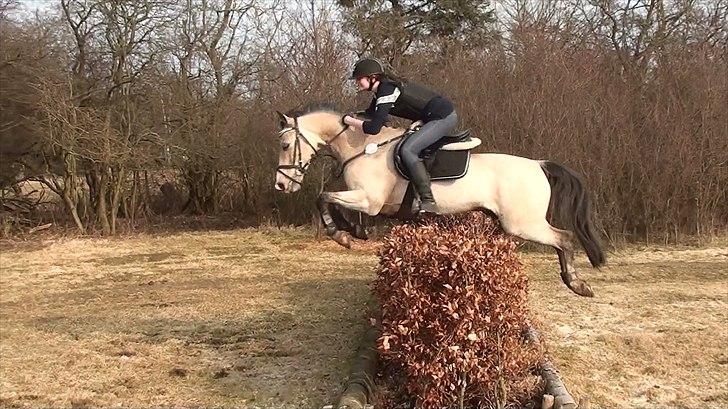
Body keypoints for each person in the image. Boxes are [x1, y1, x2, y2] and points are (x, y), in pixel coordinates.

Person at [342, 58, 457, 215]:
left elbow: (375, 128)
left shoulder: (387, 90)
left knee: (408, 150)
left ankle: (428, 201)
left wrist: (350, 121)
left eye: (359, 79)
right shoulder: (380, 92)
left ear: (372, 77)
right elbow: (371, 114)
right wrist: (353, 115)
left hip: (443, 117)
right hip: (430, 117)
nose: (357, 83)